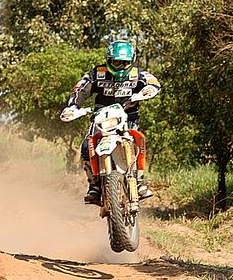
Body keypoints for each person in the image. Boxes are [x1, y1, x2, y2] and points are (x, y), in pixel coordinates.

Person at [62, 40, 161, 203]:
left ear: (132, 61)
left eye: (125, 63)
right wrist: (73, 106)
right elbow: (80, 89)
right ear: (108, 60)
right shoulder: (97, 73)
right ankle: (94, 184)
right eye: (117, 62)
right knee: (87, 146)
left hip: (128, 117)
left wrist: (145, 92)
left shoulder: (138, 73)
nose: (121, 67)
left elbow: (154, 83)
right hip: (102, 118)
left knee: (138, 140)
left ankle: (140, 180)